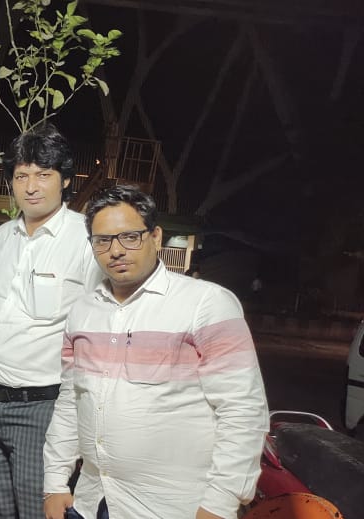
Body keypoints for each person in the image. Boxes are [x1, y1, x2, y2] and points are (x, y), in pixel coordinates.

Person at [43, 185, 269, 519]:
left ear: (155, 236)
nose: (115, 250)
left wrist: (221, 503)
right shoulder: (82, 311)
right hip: (92, 501)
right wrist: (55, 482)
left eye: (129, 237)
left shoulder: (207, 304)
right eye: (102, 240)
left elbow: (242, 411)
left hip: (174, 508)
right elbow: (71, 401)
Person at [0, 123, 102, 519]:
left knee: (37, 511)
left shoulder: (85, 240)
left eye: (43, 175)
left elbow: (95, 331)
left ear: (65, 180)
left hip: (40, 408)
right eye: (21, 175)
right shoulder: (2, 237)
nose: (31, 186)